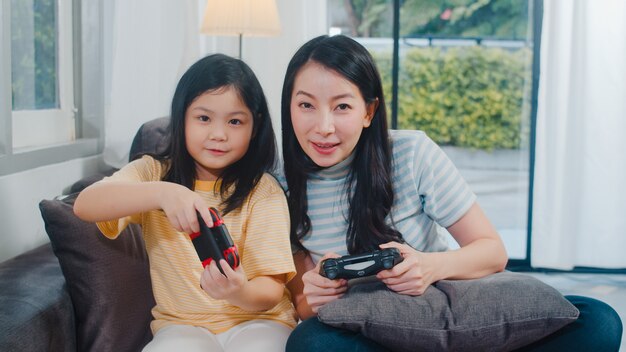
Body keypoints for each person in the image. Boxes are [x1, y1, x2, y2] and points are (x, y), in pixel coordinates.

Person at [280, 35, 623, 351]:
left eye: (342, 107)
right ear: (289, 107)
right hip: (372, 329)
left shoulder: (410, 153)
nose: (323, 127)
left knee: (598, 320)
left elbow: (492, 252)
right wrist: (321, 292)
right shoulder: (280, 183)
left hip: (447, 311)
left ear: (369, 111)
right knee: (310, 343)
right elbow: (305, 307)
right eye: (306, 106)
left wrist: (429, 266)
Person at [74, 54, 297, 352]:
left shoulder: (263, 190)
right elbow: (86, 205)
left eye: (235, 121)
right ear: (181, 119)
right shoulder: (152, 172)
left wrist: (237, 291)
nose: (219, 135)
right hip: (181, 326)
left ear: (254, 128)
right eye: (203, 118)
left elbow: (270, 291)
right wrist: (165, 193)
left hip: (261, 321)